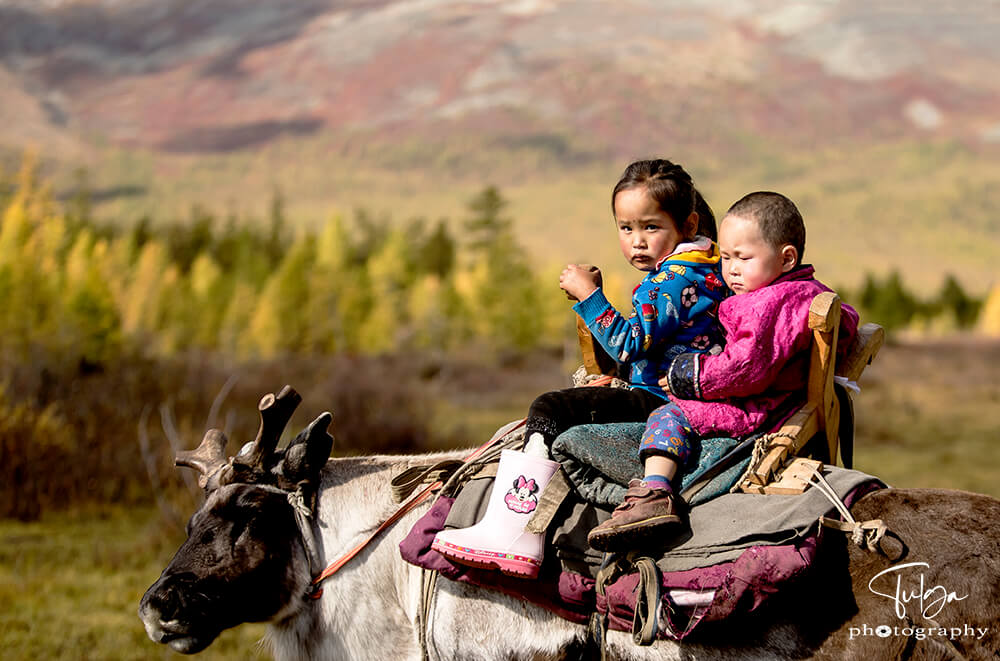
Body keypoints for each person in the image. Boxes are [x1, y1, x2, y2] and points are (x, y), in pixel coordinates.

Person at [432, 159, 727, 578]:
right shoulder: (703, 268)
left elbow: (628, 342)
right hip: (664, 387)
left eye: (650, 227)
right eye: (626, 229)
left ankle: (515, 529)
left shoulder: (676, 279)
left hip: (663, 400)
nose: (637, 242)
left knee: (550, 407)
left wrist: (589, 296)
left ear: (687, 222)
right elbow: (653, 342)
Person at [587, 191, 860, 552]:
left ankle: (654, 492)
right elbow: (850, 323)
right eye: (726, 257)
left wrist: (690, 376)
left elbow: (746, 368)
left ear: (787, 257)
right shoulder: (804, 291)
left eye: (743, 258)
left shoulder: (767, 304)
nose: (730, 269)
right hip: (772, 395)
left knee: (668, 415)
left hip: (759, 405)